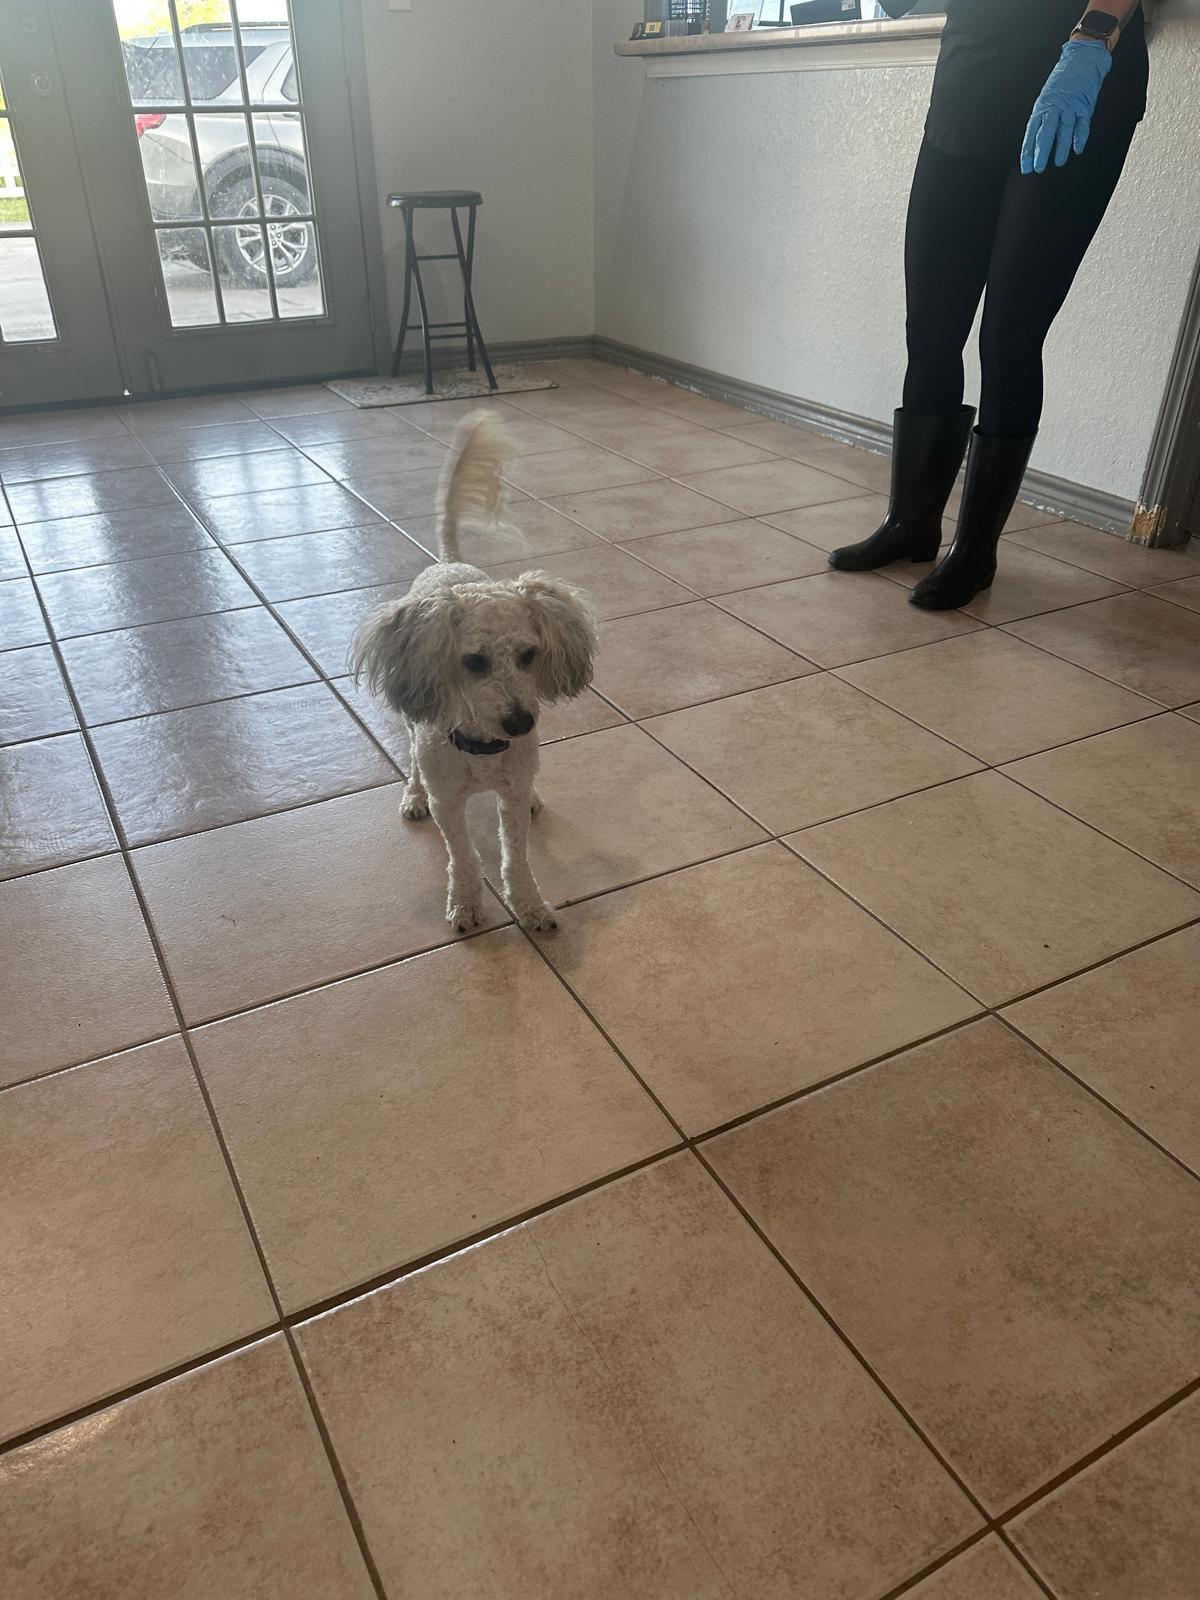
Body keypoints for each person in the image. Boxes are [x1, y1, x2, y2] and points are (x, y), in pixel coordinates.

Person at [828, 1, 1150, 609]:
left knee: (1009, 335)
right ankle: (910, 524)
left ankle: (976, 550)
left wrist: (1093, 38)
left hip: (1072, 82)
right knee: (931, 325)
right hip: (970, 82)